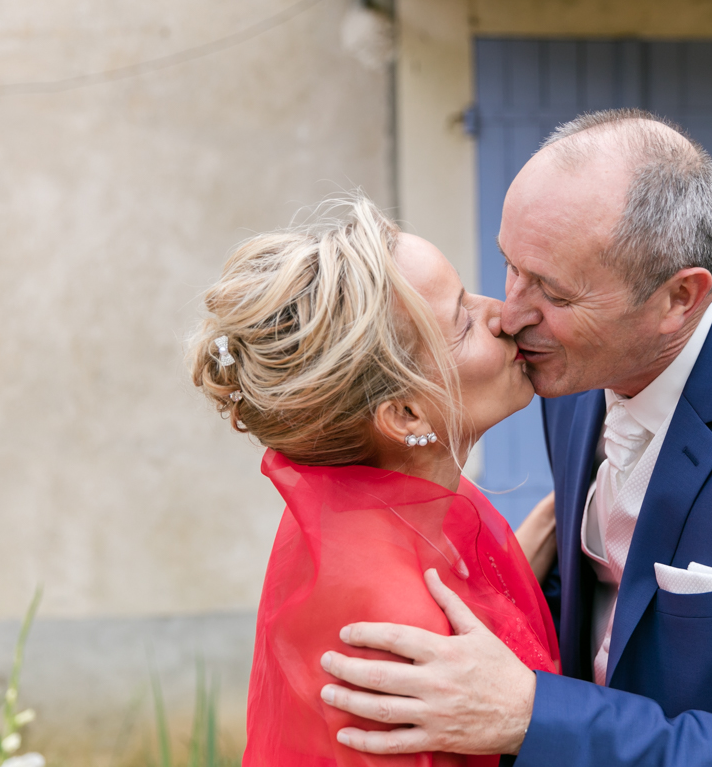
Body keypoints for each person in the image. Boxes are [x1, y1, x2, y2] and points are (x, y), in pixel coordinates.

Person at [318, 110, 712, 767]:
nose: (510, 314)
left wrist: (531, 715)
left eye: (553, 292)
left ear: (678, 298)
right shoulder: (567, 363)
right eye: (511, 266)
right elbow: (608, 607)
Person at [187, 197, 560, 766]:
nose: (503, 315)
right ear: (405, 415)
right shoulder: (397, 638)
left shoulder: (345, 514)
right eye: (463, 321)